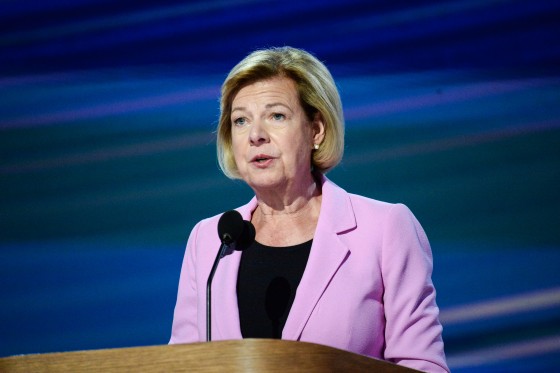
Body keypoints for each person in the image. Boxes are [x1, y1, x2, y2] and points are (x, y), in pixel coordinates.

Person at [170, 46, 449, 372]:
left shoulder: (385, 228)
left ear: (316, 130)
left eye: (276, 116)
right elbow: (181, 364)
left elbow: (424, 367)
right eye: (241, 120)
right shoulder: (210, 240)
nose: (256, 135)